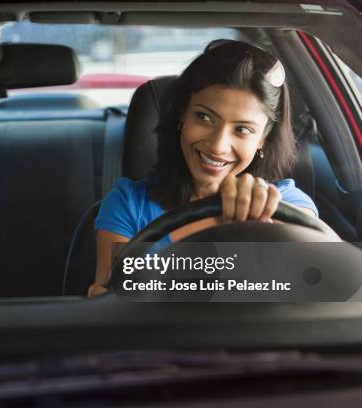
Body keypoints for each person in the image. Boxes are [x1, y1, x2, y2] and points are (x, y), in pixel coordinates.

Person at [90, 40, 339, 297]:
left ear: (262, 140)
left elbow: (339, 280)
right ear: (181, 116)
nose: (218, 146)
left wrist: (268, 222)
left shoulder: (284, 203)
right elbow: (111, 306)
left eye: (242, 129)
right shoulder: (129, 204)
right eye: (204, 117)